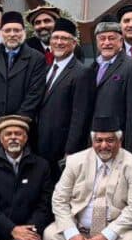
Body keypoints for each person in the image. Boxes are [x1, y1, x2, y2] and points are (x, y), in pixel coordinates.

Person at [44, 116, 132, 240]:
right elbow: (59, 199)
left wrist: (107, 234)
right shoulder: (75, 161)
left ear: (119, 141)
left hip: (115, 232)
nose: (104, 145)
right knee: (50, 236)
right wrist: (71, 232)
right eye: (99, 140)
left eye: (110, 140)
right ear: (92, 141)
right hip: (82, 231)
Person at [0, 11, 46, 155]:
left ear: (24, 32)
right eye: (7, 30)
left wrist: (15, 127)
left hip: (22, 131)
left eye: (17, 30)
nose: (12, 34)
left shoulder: (36, 58)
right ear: (1, 33)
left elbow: (34, 95)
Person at [33, 18, 93, 169]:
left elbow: (80, 116)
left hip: (61, 149)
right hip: (39, 146)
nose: (59, 42)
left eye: (64, 38)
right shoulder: (45, 69)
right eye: (55, 38)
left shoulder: (82, 73)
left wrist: (70, 150)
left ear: (73, 44)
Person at [90, 17, 132, 157]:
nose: (106, 43)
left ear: (121, 41)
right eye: (102, 39)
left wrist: (131, 154)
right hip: (95, 145)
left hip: (119, 146)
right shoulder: (92, 67)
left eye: (111, 38)